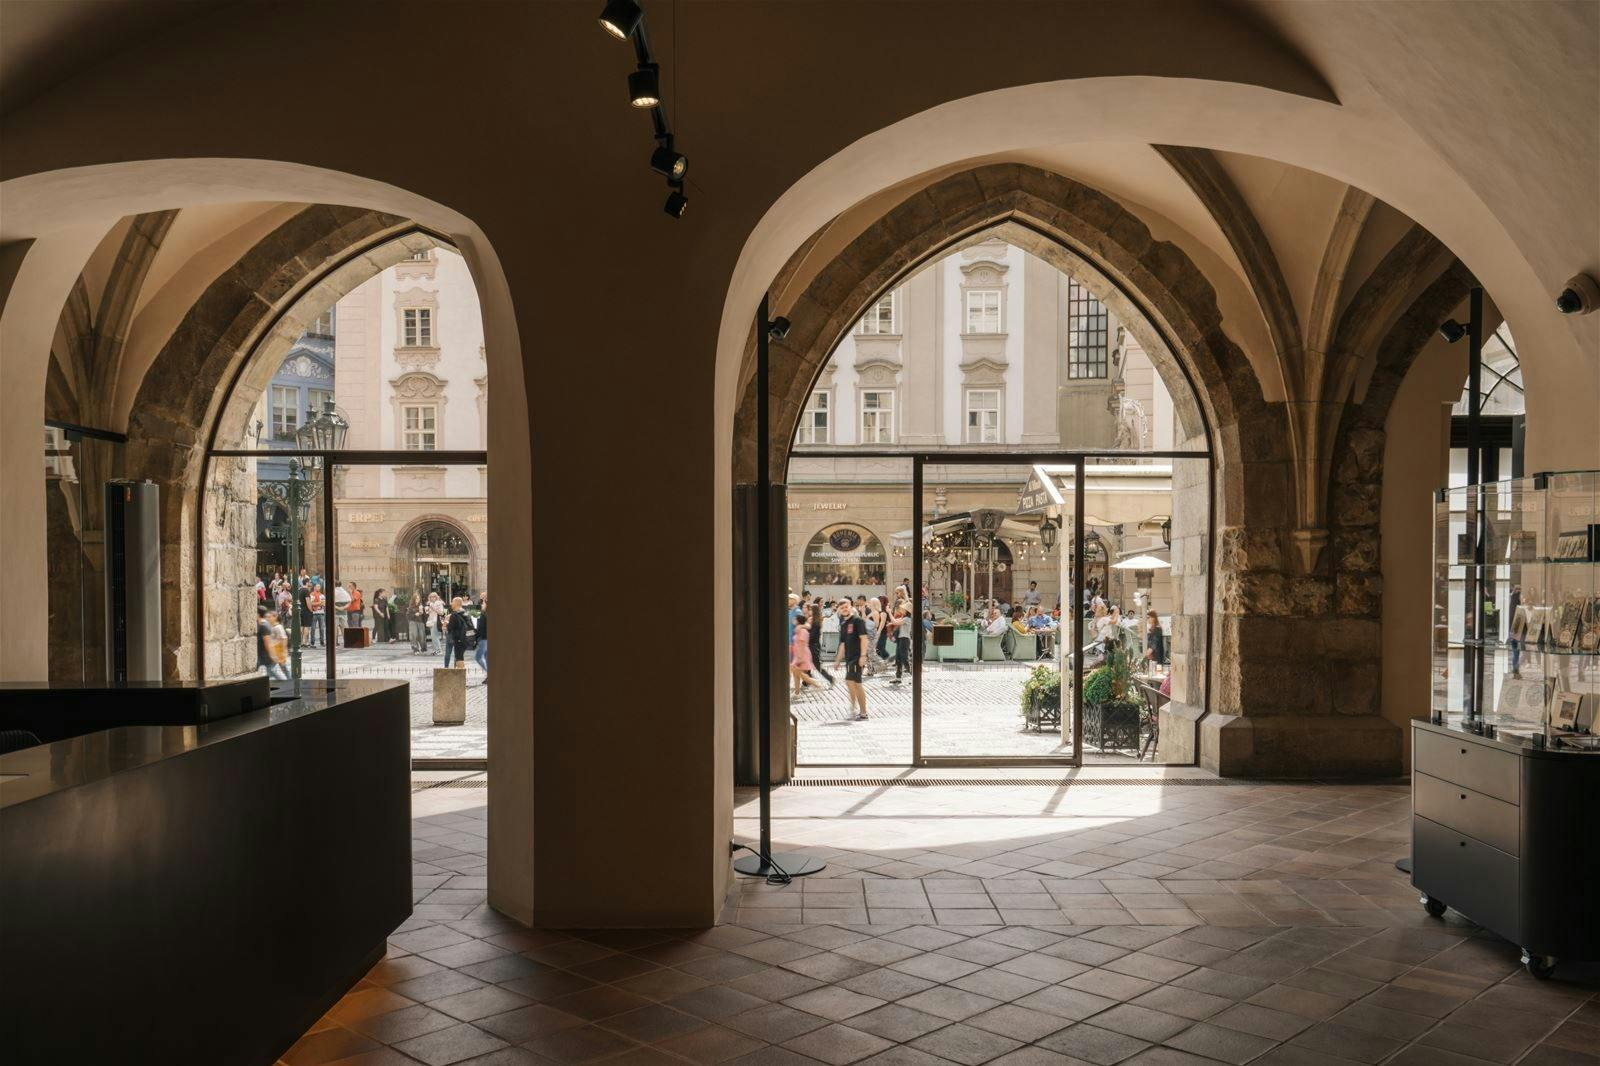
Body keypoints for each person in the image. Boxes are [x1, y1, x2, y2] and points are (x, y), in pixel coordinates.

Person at [833, 598, 870, 720]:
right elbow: (842, 644)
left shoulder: (858, 621)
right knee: (850, 682)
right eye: (842, 607)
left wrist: (863, 656)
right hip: (849, 658)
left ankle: (863, 712)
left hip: (857, 657)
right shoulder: (843, 624)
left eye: (846, 606)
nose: (844, 609)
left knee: (856, 683)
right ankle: (854, 708)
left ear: (850, 606)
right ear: (839, 609)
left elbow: (864, 639)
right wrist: (838, 660)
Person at [790, 610, 824, 695]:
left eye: (795, 618)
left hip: (802, 654)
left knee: (798, 672)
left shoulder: (802, 631)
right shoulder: (799, 629)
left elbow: (802, 644)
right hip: (798, 654)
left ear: (798, 621)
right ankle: (797, 692)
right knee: (796, 673)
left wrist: (800, 657)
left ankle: (815, 683)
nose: (793, 619)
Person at [807, 601, 833, 687]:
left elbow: (813, 636)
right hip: (813, 645)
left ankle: (830, 678)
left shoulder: (815, 622)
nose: (809, 611)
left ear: (813, 611)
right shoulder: (814, 620)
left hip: (813, 646)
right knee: (806, 663)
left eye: (810, 609)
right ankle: (806, 680)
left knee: (817, 666)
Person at [263, 609, 289, 680]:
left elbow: (284, 638)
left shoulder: (278, 627)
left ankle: (289, 680)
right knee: (278, 668)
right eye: (267, 617)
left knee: (283, 668)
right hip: (274, 651)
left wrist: (283, 651)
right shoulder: (271, 627)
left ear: (275, 617)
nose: (267, 618)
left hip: (279, 651)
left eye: (269, 617)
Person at [444, 596, 470, 667]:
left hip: (458, 639)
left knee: (459, 658)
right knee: (460, 657)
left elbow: (450, 628)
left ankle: (461, 676)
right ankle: (460, 673)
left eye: (452, 602)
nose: (451, 603)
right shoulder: (465, 613)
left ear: (456, 603)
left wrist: (446, 624)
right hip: (465, 638)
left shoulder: (454, 615)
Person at [890, 605, 911, 684]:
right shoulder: (904, 618)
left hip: (904, 639)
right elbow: (894, 620)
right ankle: (898, 678)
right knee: (898, 659)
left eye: (904, 609)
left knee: (904, 659)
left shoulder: (907, 619)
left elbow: (894, 622)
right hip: (901, 639)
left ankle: (913, 676)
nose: (902, 610)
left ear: (907, 611)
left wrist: (889, 612)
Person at [473, 592, 489, 681]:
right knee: (486, 657)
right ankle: (489, 676)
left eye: (484, 597)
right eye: (481, 597)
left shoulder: (487, 608)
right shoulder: (480, 607)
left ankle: (490, 674)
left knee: (479, 657)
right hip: (481, 635)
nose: (482, 599)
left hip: (485, 636)